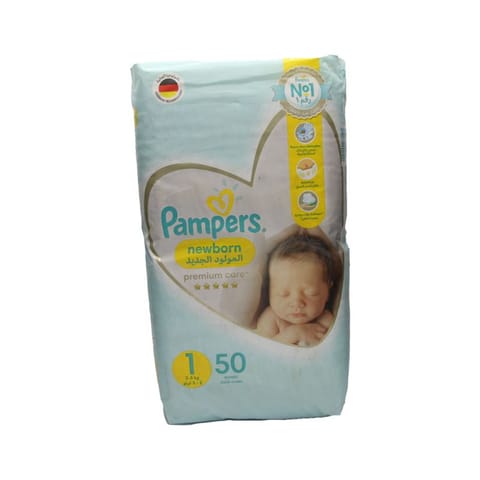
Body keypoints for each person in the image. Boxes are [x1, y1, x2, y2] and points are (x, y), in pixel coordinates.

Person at [255, 231, 342, 347]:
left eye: (311, 293)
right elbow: (261, 349)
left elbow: (335, 349)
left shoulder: (325, 320)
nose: (297, 303)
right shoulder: (271, 319)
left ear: (328, 291)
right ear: (269, 290)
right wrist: (294, 334)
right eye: (283, 294)